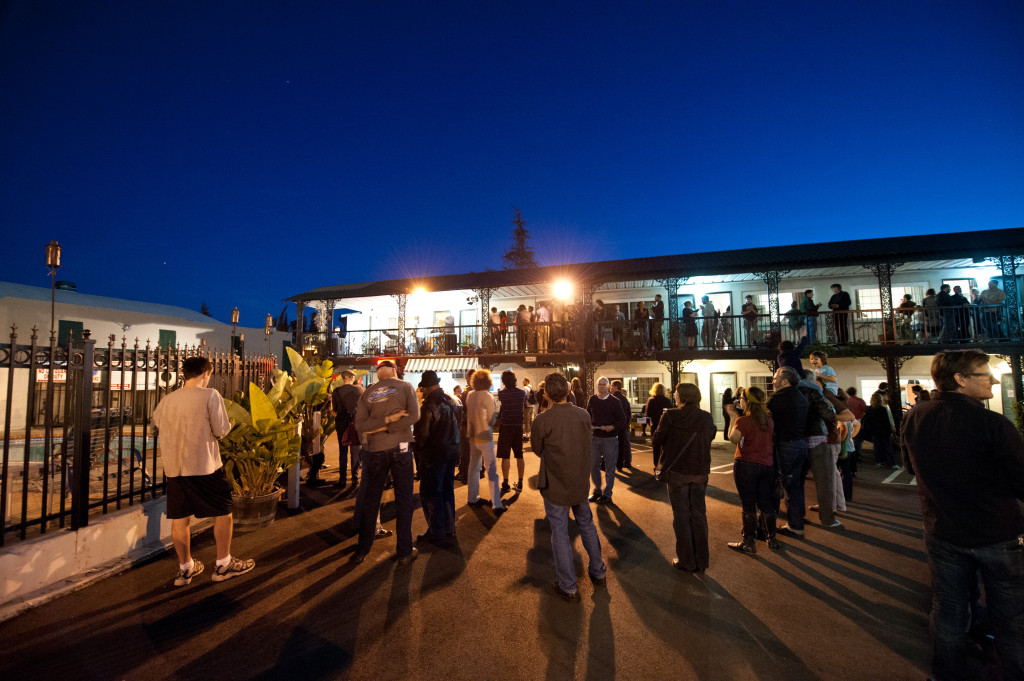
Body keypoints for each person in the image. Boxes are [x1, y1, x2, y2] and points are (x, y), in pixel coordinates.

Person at [900, 349, 1024, 681]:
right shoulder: (993, 424)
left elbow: (909, 466)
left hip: (943, 529)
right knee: (1010, 616)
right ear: (961, 379)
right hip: (995, 532)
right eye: (985, 375)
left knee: (948, 611)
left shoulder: (915, 416)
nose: (993, 380)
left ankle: (946, 674)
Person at [151, 356, 255, 586]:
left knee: (179, 518)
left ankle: (185, 568)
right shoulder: (210, 395)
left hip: (175, 469)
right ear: (206, 373)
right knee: (224, 512)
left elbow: (153, 429)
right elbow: (222, 431)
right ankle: (223, 564)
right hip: (204, 466)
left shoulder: (167, 400)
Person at [530, 372, 607, 602]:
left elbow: (537, 449)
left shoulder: (542, 420)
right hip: (579, 481)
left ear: (546, 394)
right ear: (567, 391)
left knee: (560, 534)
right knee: (587, 525)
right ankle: (598, 570)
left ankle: (569, 586)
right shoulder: (583, 415)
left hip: (555, 482)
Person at [351, 359, 420, 565]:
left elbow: (360, 425)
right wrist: (390, 424)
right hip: (402, 447)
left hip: (375, 451)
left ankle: (362, 550)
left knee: (371, 500)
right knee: (404, 500)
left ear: (379, 372)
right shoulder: (406, 386)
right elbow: (414, 416)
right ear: (394, 370)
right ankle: (405, 552)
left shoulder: (368, 393)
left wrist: (379, 427)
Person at [652, 382, 716, 572]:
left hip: (678, 471)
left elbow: (657, 440)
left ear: (682, 397)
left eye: (677, 394)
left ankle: (686, 560)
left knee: (681, 516)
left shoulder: (670, 415)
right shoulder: (705, 417)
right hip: (699, 470)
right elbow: (710, 436)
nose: (675, 396)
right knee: (698, 515)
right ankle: (701, 561)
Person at [724, 386, 780, 553]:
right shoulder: (768, 420)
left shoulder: (743, 421)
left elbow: (733, 439)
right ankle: (772, 539)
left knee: (748, 503)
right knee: (765, 502)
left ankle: (749, 542)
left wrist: (733, 416)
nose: (739, 400)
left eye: (741, 398)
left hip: (746, 464)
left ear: (746, 401)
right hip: (767, 465)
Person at [413, 370, 460, 544]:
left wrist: (416, 448)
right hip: (451, 451)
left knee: (431, 493)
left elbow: (422, 435)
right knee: (447, 490)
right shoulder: (450, 400)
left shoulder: (428, 406)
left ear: (426, 387)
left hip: (434, 455)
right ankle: (449, 527)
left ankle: (436, 530)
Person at [766, 367, 810, 537]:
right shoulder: (801, 397)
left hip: (785, 444)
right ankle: (796, 523)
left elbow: (766, 420)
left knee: (777, 484)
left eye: (776, 377)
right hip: (800, 443)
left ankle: (768, 527)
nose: (773, 380)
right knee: (795, 486)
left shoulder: (778, 399)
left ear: (785, 381)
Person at [465, 368, 504, 513]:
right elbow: (491, 419)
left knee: (473, 468)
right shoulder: (488, 396)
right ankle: (496, 503)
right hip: (485, 436)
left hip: (472, 435)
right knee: (491, 469)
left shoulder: (470, 395)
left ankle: (472, 497)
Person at [586, 376, 626, 504]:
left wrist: (612, 427)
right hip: (595, 438)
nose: (601, 386)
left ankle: (607, 494)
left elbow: (622, 420)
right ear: (597, 386)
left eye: (604, 384)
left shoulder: (615, 401)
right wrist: (589, 425)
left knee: (609, 467)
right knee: (593, 467)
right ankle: (597, 491)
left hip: (610, 439)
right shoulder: (592, 399)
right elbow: (587, 415)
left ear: (608, 386)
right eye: (599, 384)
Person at [496, 370, 527, 493]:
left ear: (504, 381)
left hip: (505, 426)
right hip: (518, 426)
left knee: (505, 455)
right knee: (519, 455)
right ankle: (520, 482)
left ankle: (505, 482)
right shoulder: (521, 393)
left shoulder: (501, 394)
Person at [330, 369, 362, 488]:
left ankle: (342, 479)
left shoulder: (336, 391)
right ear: (352, 378)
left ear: (343, 378)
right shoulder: (359, 390)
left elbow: (335, 411)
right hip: (355, 422)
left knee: (342, 451)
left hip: (341, 422)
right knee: (355, 451)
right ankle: (355, 478)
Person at [861, 392, 896, 468]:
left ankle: (879, 462)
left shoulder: (869, 409)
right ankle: (891, 463)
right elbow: (886, 421)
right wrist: (890, 431)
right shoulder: (883, 409)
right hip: (884, 431)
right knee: (888, 447)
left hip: (874, 431)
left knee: (877, 448)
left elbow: (867, 421)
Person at [610, 380, 632, 470]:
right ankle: (626, 462)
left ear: (616, 387)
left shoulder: (612, 399)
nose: (610, 387)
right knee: (624, 444)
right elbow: (628, 413)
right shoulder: (624, 399)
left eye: (611, 386)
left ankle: (614, 463)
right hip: (623, 425)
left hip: (615, 425)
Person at [522, 377, 536, 442]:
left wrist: (523, 405)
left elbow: (524, 397)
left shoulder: (525, 388)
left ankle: (527, 436)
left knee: (526, 421)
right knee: (531, 421)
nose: (523, 382)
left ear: (527, 381)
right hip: (532, 406)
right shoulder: (531, 388)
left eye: (524, 381)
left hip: (527, 406)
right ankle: (532, 435)